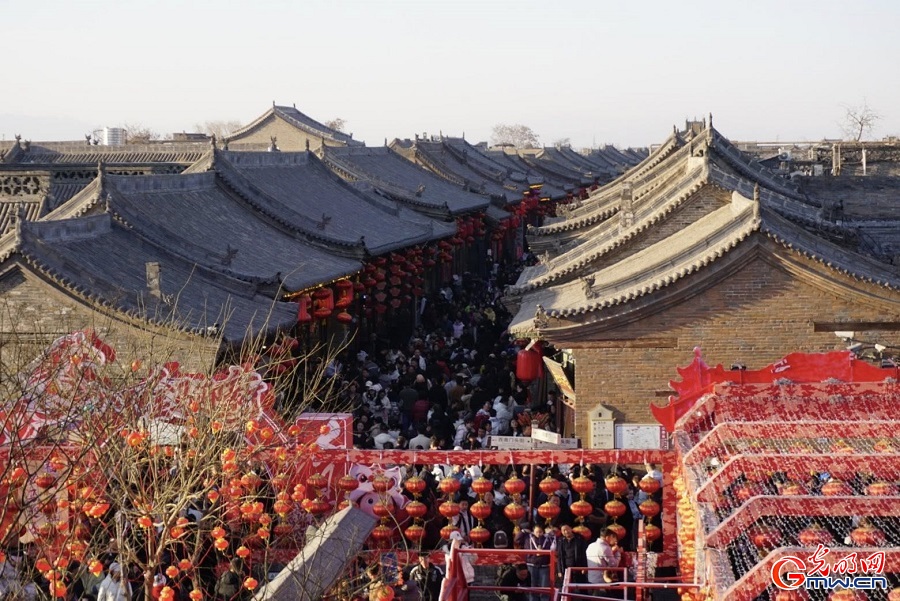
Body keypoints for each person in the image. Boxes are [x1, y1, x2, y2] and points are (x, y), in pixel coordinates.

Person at [586, 528, 623, 599]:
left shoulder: (590, 545)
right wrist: (618, 552)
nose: (615, 540)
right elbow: (614, 565)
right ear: (608, 537)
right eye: (613, 537)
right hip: (602, 581)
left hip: (591, 579)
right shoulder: (605, 548)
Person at [522, 524, 555, 601]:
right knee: (532, 585)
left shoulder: (547, 539)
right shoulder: (528, 538)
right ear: (533, 532)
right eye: (537, 532)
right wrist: (522, 531)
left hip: (544, 565)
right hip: (531, 564)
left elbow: (555, 543)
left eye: (540, 532)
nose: (538, 534)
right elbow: (517, 539)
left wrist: (552, 532)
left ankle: (545, 599)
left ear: (543, 532)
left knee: (545, 585)